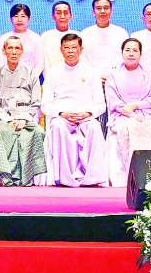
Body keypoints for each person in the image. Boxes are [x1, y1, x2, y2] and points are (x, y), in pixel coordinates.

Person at [44, 33, 108, 187]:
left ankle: (92, 177)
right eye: (67, 48)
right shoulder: (53, 72)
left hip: (85, 117)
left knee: (93, 127)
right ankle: (64, 177)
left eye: (74, 47)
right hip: (63, 117)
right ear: (61, 50)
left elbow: (101, 105)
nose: (70, 51)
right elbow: (45, 105)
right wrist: (62, 114)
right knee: (58, 126)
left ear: (81, 49)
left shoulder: (92, 72)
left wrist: (87, 114)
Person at [0, 36, 46, 186]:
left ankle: (26, 177)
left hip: (26, 119)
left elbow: (36, 102)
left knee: (38, 132)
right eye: (10, 48)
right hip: (4, 120)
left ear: (22, 51)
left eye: (17, 48)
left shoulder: (31, 73)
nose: (14, 52)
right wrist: (9, 120)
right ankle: (6, 176)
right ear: (4, 51)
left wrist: (24, 119)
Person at [105, 38, 151, 186]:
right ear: (122, 53)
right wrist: (130, 113)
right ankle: (128, 177)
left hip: (146, 113)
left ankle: (148, 175)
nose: (131, 54)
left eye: (135, 50)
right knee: (126, 127)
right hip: (122, 115)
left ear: (140, 54)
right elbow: (113, 102)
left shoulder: (149, 75)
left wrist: (136, 105)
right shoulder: (113, 76)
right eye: (127, 50)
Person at [80, 0, 128, 73]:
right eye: (98, 8)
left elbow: (125, 57)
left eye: (106, 8)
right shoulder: (84, 34)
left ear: (111, 11)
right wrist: (94, 75)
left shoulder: (121, 33)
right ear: (93, 12)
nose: (102, 11)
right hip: (91, 77)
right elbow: (82, 59)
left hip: (117, 76)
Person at [0, 3, 44, 72]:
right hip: (7, 76)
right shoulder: (4, 38)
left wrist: (32, 77)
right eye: (16, 16)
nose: (19, 20)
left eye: (23, 16)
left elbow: (40, 63)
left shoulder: (36, 38)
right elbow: (0, 61)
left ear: (29, 18)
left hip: (30, 76)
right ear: (10, 19)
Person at [39, 1, 74, 75]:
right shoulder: (45, 37)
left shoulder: (77, 36)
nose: (62, 16)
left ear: (70, 16)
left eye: (65, 13)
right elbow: (42, 61)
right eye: (58, 13)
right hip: (51, 78)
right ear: (53, 16)